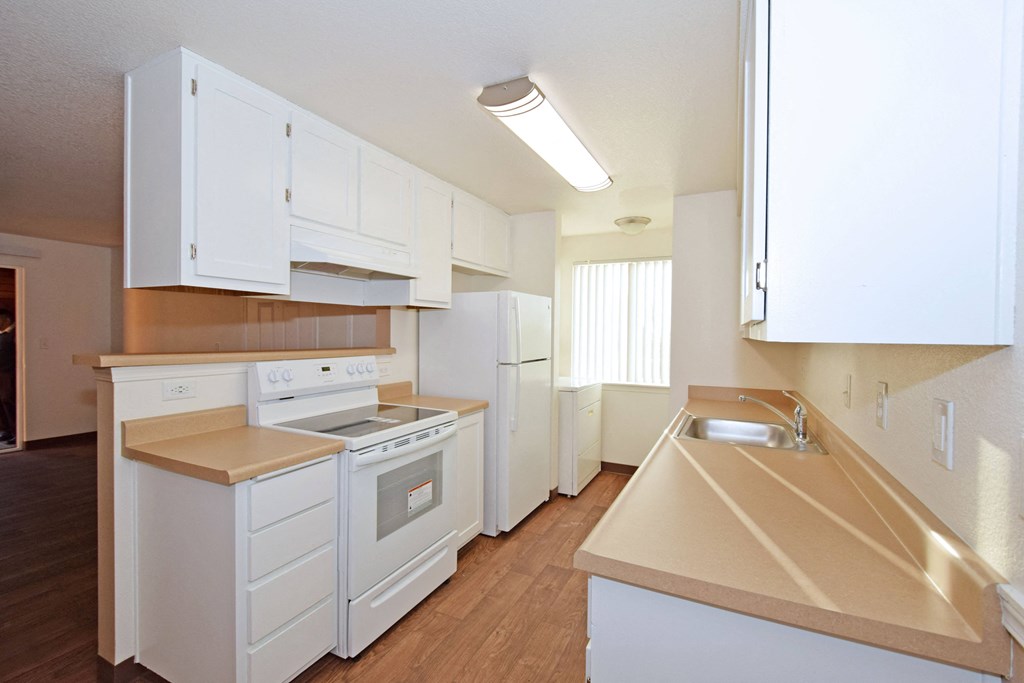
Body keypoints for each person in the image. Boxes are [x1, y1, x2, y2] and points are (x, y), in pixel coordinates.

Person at [0, 309, 16, 446]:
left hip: (8, 372)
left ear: (6, 319)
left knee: (7, 399)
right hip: (1, 372)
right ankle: (6, 430)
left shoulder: (15, 334)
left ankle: (16, 431)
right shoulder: (2, 334)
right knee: (1, 401)